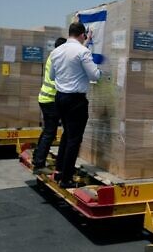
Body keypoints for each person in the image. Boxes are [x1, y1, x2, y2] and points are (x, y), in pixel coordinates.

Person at [49, 22, 104, 188]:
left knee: (67, 134)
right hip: (75, 101)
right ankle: (66, 179)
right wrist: (102, 72)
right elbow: (95, 75)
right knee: (74, 139)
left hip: (60, 98)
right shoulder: (83, 52)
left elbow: (52, 76)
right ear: (82, 35)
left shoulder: (56, 51)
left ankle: (59, 170)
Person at [32, 37, 67, 174]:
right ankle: (39, 164)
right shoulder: (58, 59)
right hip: (50, 100)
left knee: (47, 131)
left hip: (45, 98)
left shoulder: (52, 57)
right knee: (50, 132)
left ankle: (37, 156)